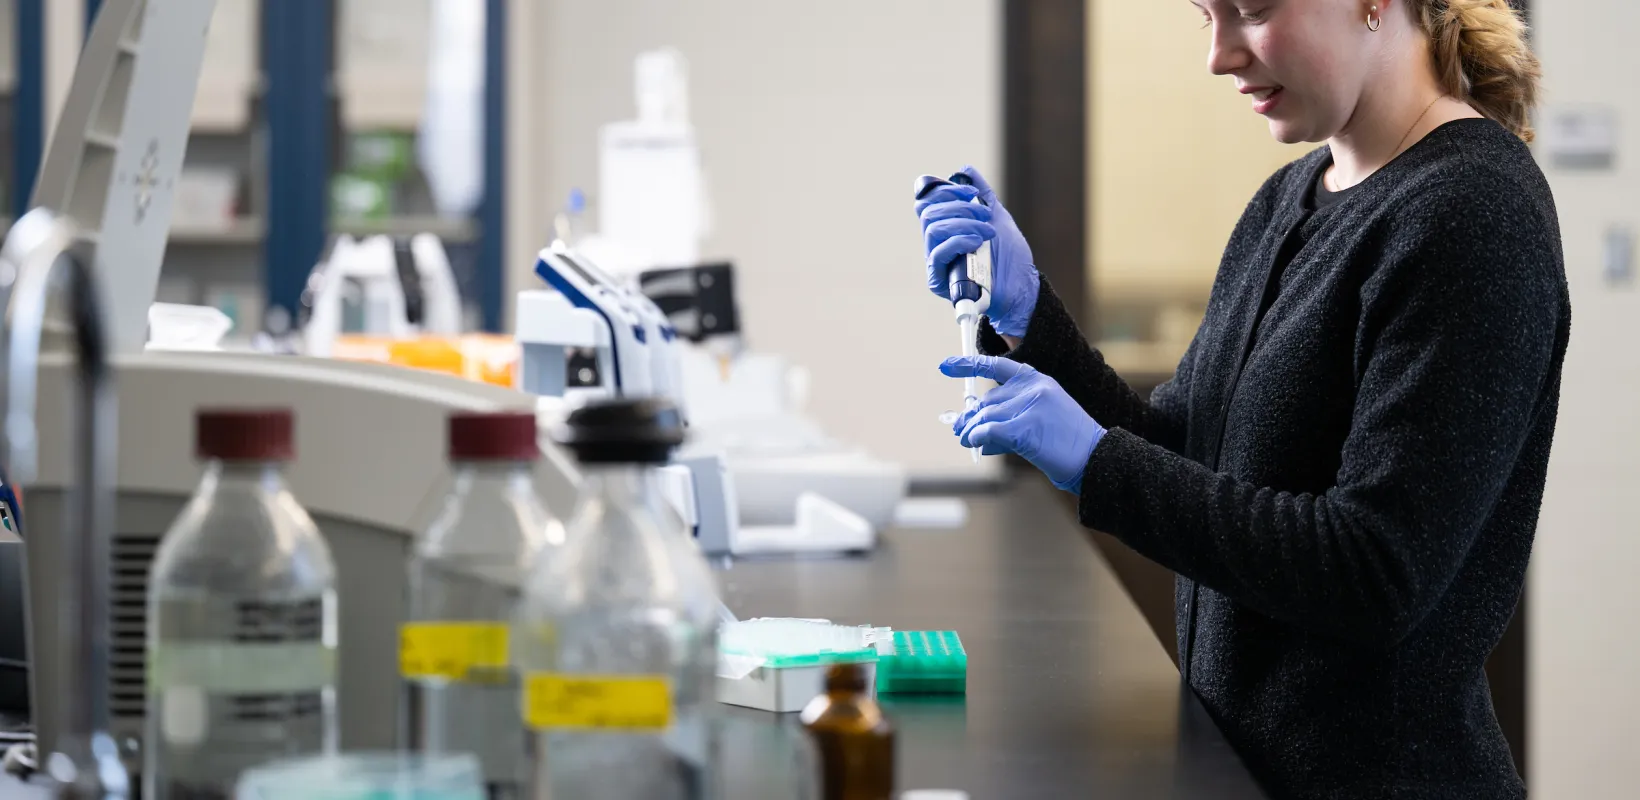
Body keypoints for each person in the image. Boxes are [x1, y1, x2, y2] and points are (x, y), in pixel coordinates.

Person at [915, 1, 1568, 798]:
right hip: (1244, 771)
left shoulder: (1471, 212)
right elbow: (1188, 451)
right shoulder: (1287, 198)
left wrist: (1095, 462)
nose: (1220, 56)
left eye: (1253, 11)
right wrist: (1027, 315)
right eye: (1207, 16)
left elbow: (1374, 572)